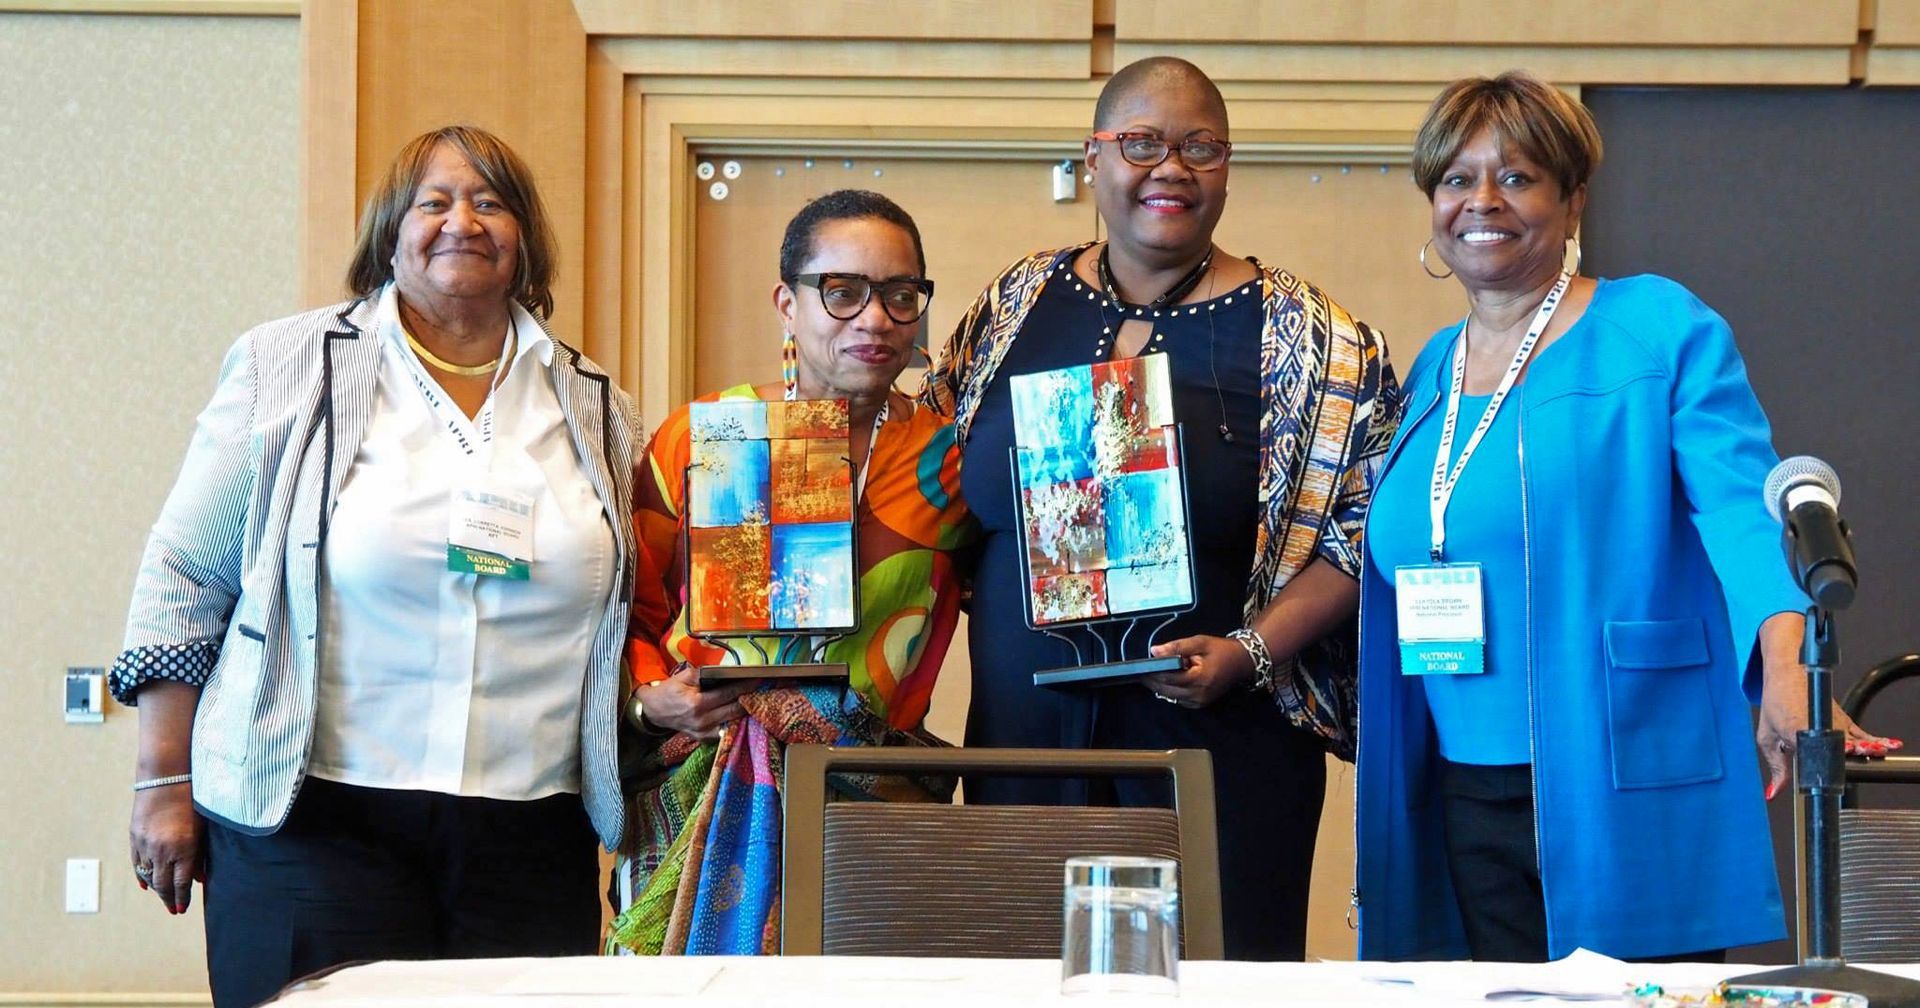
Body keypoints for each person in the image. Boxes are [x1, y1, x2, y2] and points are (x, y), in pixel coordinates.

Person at [1356, 71, 1900, 963]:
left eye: (1518, 177)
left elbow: (1743, 508)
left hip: (1617, 761)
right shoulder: (1432, 369)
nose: (1481, 201)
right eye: (1456, 179)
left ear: (1573, 203)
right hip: (1457, 783)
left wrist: (1787, 665)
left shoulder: (1654, 327)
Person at [115, 126, 640, 1006]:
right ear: (389, 232)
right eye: (432, 202)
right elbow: (183, 574)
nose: (461, 221)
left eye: (489, 202)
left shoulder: (594, 400)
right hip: (316, 816)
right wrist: (163, 780)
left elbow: (624, 607)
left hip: (530, 833)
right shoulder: (289, 366)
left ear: (525, 237)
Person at [922, 57, 1398, 961]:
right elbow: (937, 469)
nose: (1169, 167)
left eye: (1198, 147)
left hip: (1218, 751)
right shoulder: (1014, 302)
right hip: (1022, 750)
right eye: (1140, 143)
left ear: (1227, 167)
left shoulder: (1318, 337)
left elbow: (1363, 532)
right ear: (1092, 160)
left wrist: (1253, 651)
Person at [609, 189, 972, 955]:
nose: (874, 319)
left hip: (873, 799)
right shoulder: (701, 438)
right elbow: (630, 615)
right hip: (700, 784)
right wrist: (652, 701)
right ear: (788, 301)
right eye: (841, 292)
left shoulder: (953, 463)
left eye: (901, 296)